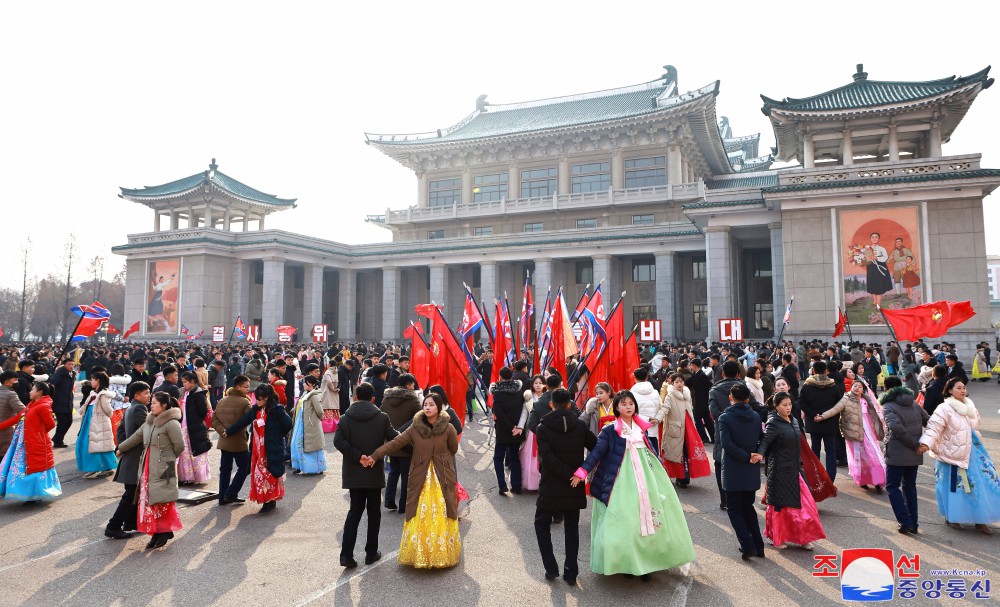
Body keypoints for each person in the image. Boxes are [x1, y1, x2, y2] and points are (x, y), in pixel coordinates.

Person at [573, 390, 696, 579]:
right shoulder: (610, 430)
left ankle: (647, 563)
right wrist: (582, 472)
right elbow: (597, 453)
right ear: (617, 407)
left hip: (647, 477)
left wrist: (661, 469)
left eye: (631, 404)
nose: (628, 407)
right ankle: (627, 563)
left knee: (648, 519)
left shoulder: (641, 427)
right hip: (621, 480)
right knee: (626, 520)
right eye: (624, 404)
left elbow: (651, 450)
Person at [369, 392, 462, 569]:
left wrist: (441, 461)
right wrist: (375, 455)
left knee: (444, 512)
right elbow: (395, 443)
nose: (427, 407)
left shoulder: (449, 428)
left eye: (431, 405)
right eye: (425, 404)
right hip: (420, 477)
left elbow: (453, 448)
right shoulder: (415, 428)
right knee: (418, 513)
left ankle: (442, 553)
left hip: (442, 477)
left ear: (439, 407)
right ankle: (420, 553)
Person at [919, 379, 1000, 535]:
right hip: (950, 454)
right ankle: (952, 518)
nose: (963, 390)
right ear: (949, 390)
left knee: (981, 485)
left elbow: (976, 426)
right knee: (953, 489)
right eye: (959, 388)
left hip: (973, 453)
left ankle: (980, 520)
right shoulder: (944, 408)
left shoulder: (970, 406)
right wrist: (925, 444)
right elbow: (933, 428)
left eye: (964, 387)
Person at [534, 387, 597, 585]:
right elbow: (595, 446)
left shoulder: (542, 428)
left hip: (551, 484)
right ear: (569, 404)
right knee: (571, 527)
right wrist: (580, 472)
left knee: (541, 523)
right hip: (574, 484)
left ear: (551, 404)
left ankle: (551, 568)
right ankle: (571, 572)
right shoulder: (579, 426)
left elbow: (547, 458)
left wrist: (567, 473)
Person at [333, 382, 398, 567]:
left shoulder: (346, 418)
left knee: (354, 511)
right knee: (374, 512)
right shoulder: (382, 418)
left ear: (355, 397)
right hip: (374, 471)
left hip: (354, 472)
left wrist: (357, 456)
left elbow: (338, 441)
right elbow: (394, 437)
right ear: (373, 398)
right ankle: (371, 553)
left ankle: (346, 554)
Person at [757, 391, 826, 550]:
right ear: (776, 406)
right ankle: (776, 536)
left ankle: (804, 537)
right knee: (780, 507)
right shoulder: (773, 423)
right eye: (784, 405)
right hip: (779, 471)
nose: (788, 408)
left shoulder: (793, 420)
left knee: (806, 505)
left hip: (796, 470)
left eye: (790, 405)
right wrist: (758, 454)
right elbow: (765, 441)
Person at [116, 391, 184, 550]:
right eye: (151, 402)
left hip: (165, 466)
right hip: (148, 465)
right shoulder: (149, 422)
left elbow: (179, 446)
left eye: (154, 403)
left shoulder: (172, 423)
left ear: (164, 405)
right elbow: (135, 438)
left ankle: (164, 531)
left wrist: (167, 458)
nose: (151, 405)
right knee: (150, 500)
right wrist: (120, 448)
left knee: (164, 499)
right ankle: (159, 532)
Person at [225, 384, 294, 513]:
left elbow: (288, 424)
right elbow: (243, 421)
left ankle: (270, 500)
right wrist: (229, 431)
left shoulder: (277, 409)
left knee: (270, 474)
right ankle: (265, 500)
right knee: (259, 475)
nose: (257, 401)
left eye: (259, 399)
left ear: (267, 398)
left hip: (271, 448)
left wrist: (277, 434)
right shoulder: (256, 409)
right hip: (257, 450)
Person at [717, 383, 765, 560]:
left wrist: (746, 456)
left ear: (731, 397)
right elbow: (761, 439)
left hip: (733, 469)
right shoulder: (755, 416)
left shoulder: (725, 418)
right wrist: (754, 455)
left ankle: (747, 544)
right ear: (747, 398)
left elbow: (727, 444)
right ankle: (759, 546)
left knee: (735, 509)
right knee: (748, 507)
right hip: (750, 468)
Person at [815, 375, 886, 492]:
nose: (857, 388)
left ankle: (878, 481)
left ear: (863, 389)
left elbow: (877, 415)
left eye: (859, 386)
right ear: (851, 388)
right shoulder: (846, 399)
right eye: (855, 386)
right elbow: (835, 409)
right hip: (853, 434)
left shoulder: (866, 400)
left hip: (869, 434)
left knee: (873, 456)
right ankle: (863, 480)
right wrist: (823, 416)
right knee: (859, 457)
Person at [880, 377, 928, 534]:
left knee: (892, 486)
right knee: (909, 486)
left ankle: (904, 521)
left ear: (887, 389)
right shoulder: (914, 403)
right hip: (914, 453)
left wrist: (914, 445)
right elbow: (929, 420)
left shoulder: (888, 406)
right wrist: (922, 444)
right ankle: (914, 523)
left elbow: (896, 428)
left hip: (897, 452)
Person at [0, 381, 61, 503]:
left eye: (33, 389)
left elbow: (50, 424)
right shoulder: (31, 405)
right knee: (24, 468)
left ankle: (36, 494)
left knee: (35, 468)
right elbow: (17, 418)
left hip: (36, 442)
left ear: (40, 392)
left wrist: (37, 433)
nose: (30, 392)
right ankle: (30, 495)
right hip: (24, 442)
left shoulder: (43, 406)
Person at [106, 381, 151, 538]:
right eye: (146, 393)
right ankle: (113, 526)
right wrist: (126, 447)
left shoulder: (131, 407)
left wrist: (123, 446)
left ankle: (130, 523)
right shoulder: (139, 409)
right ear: (137, 395)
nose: (149, 396)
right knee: (130, 495)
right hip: (134, 460)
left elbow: (121, 430)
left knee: (134, 494)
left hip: (130, 457)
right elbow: (148, 431)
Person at [659, 374, 711, 488]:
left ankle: (685, 476)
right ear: (672, 383)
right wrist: (657, 419)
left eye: (681, 381)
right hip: (676, 429)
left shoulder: (686, 394)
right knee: (678, 454)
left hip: (689, 428)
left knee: (688, 453)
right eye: (677, 382)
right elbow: (664, 409)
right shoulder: (670, 396)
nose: (679, 384)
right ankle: (681, 477)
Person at [799, 361, 844, 483]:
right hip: (830, 422)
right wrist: (825, 415)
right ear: (826, 371)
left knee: (815, 449)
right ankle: (830, 478)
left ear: (813, 370)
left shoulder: (807, 386)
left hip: (814, 422)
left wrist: (814, 414)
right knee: (830, 450)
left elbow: (802, 402)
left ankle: (815, 476)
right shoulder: (832, 385)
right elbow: (839, 404)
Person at [212, 375, 253, 505]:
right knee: (245, 467)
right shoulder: (245, 402)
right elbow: (249, 419)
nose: (248, 389)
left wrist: (223, 431)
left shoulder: (222, 400)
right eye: (246, 387)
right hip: (238, 442)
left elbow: (214, 420)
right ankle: (231, 493)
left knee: (225, 469)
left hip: (224, 441)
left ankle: (223, 496)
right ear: (238, 387)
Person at [76, 371, 118, 478]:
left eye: (93, 379)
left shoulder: (102, 394)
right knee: (89, 444)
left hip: (99, 423)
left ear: (98, 380)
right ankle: (95, 467)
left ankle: (99, 468)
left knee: (97, 445)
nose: (91, 381)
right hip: (90, 422)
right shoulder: (93, 393)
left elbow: (109, 411)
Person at [490, 367, 524, 496]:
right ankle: (516, 486)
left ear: (500, 377)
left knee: (498, 457)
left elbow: (499, 413)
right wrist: (517, 427)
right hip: (517, 429)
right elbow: (523, 410)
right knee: (515, 457)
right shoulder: (519, 391)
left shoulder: (498, 392)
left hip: (504, 430)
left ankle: (502, 485)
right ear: (512, 377)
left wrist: (510, 427)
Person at [177, 372, 212, 484]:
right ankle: (186, 476)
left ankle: (197, 476)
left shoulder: (198, 393)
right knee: (184, 452)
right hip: (183, 426)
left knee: (195, 452)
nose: (184, 384)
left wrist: (195, 421)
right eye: (183, 382)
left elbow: (203, 411)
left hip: (194, 427)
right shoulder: (184, 393)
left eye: (185, 382)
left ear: (192, 382)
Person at [291, 375, 327, 475]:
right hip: (301, 422)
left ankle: (317, 467)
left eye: (305, 382)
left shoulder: (314, 396)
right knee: (298, 444)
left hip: (309, 424)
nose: (303, 384)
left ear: (311, 384)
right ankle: (300, 466)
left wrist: (316, 420)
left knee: (312, 447)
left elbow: (320, 411)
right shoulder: (305, 394)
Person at [630, 367, 665, 454]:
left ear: (634, 378)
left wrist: (646, 419)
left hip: (637, 429)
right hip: (652, 428)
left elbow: (631, 412)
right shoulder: (655, 392)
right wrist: (655, 419)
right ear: (646, 377)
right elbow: (660, 408)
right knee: (654, 455)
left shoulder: (631, 393)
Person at [47, 359, 75, 448]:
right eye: (69, 364)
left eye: (72, 364)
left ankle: (57, 438)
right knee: (62, 423)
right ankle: (58, 441)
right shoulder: (59, 374)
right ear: (64, 365)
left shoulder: (73, 374)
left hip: (68, 401)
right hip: (59, 401)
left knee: (69, 422)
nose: (71, 366)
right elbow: (51, 383)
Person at [686, 358, 714, 444]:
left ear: (694, 365)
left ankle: (704, 437)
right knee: (707, 420)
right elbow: (688, 382)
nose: (690, 367)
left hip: (701, 401)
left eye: (691, 365)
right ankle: (713, 438)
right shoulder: (697, 374)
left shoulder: (701, 375)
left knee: (698, 420)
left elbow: (710, 385)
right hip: (701, 401)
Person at [0, 371, 26, 456]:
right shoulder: (11, 394)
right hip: (6, 431)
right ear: (7, 382)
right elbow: (23, 411)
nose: (17, 382)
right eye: (15, 380)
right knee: (4, 457)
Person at [320, 357, 341, 432]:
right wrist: (336, 389)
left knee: (327, 407)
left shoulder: (328, 372)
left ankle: (327, 427)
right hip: (334, 393)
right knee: (334, 408)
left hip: (327, 392)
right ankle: (336, 425)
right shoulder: (336, 371)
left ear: (329, 364)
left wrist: (332, 388)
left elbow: (328, 381)